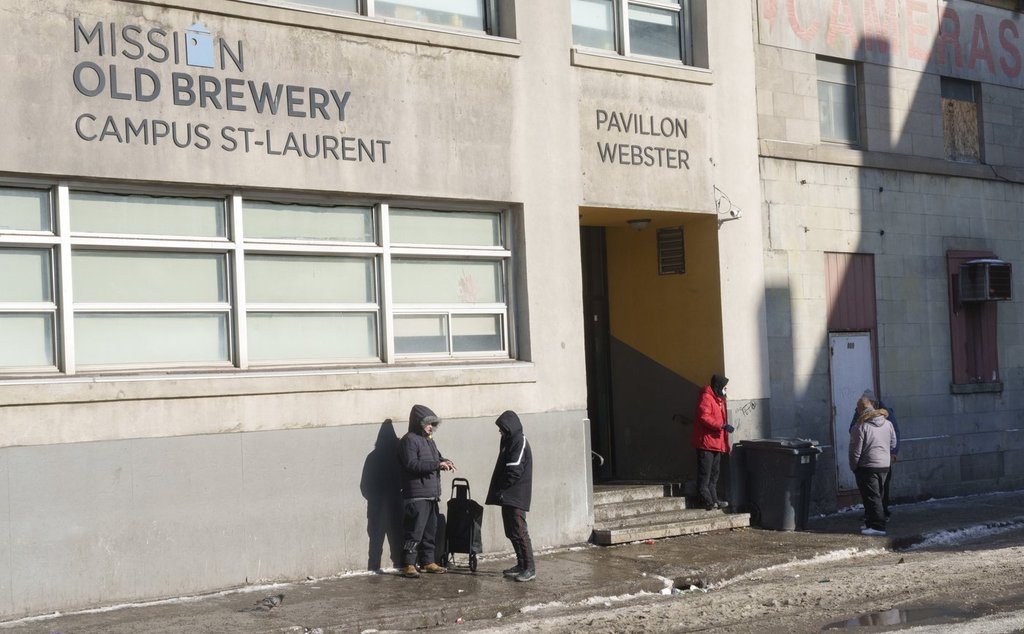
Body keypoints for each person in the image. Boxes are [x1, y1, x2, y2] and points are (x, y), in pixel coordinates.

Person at [397, 404, 455, 578]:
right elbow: (412, 464)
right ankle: (408, 564)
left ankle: (428, 561)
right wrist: (437, 465)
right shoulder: (409, 440)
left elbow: (436, 458)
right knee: (414, 531)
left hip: (431, 494)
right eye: (428, 423)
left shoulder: (429, 440)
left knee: (430, 530)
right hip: (416, 495)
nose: (431, 427)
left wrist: (445, 462)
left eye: (433, 424)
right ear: (418, 422)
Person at [486, 410, 535, 582]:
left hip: (516, 495)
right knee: (511, 532)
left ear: (509, 427)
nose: (500, 432)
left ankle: (529, 568)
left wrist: (502, 487)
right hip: (507, 495)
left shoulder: (519, 441)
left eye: (502, 428)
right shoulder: (508, 440)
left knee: (520, 531)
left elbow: (514, 469)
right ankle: (521, 564)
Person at [849, 396, 897, 536]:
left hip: (868, 466)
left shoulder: (861, 426)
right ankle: (871, 523)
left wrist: (854, 466)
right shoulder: (888, 424)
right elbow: (893, 443)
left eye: (857, 408)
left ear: (861, 408)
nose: (856, 411)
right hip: (885, 465)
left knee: (871, 497)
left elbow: (855, 451)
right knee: (878, 495)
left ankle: (877, 526)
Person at [692, 374, 734, 511]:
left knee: (714, 474)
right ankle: (706, 500)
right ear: (718, 386)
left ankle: (714, 499)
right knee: (705, 473)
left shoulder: (719, 400)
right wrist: (721, 426)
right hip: (706, 444)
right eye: (724, 387)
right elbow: (704, 416)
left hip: (716, 444)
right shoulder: (706, 397)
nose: (725, 390)